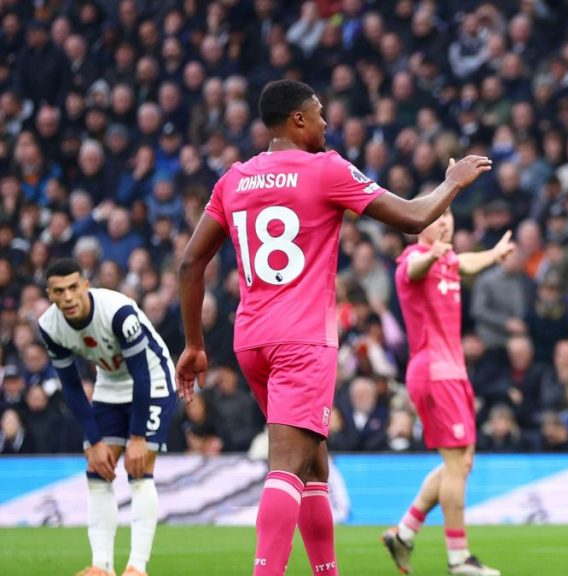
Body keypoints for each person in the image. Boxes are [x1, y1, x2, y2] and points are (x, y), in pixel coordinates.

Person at [174, 79, 492, 576]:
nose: (326, 123)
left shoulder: (233, 179)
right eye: (319, 114)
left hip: (252, 339)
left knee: (313, 463)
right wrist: (453, 182)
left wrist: (194, 343)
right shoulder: (325, 169)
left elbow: (191, 263)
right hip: (302, 339)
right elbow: (412, 218)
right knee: (285, 467)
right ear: (298, 120)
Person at [381, 206, 514, 576]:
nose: (445, 221)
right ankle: (459, 559)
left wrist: (494, 254)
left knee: (461, 463)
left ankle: (405, 532)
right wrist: (430, 254)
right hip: (434, 372)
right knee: (457, 466)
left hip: (453, 373)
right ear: (419, 227)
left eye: (449, 215)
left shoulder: (449, 260)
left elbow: (466, 263)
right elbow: (411, 270)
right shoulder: (413, 258)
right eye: (436, 217)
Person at [38, 258, 178, 576]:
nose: (69, 297)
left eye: (74, 287)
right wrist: (95, 440)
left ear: (86, 285)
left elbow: (141, 373)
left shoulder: (117, 312)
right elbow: (71, 386)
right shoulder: (49, 326)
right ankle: (101, 566)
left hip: (153, 380)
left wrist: (138, 437)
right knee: (97, 469)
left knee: (139, 467)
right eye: (59, 291)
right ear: (50, 294)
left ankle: (137, 567)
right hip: (110, 384)